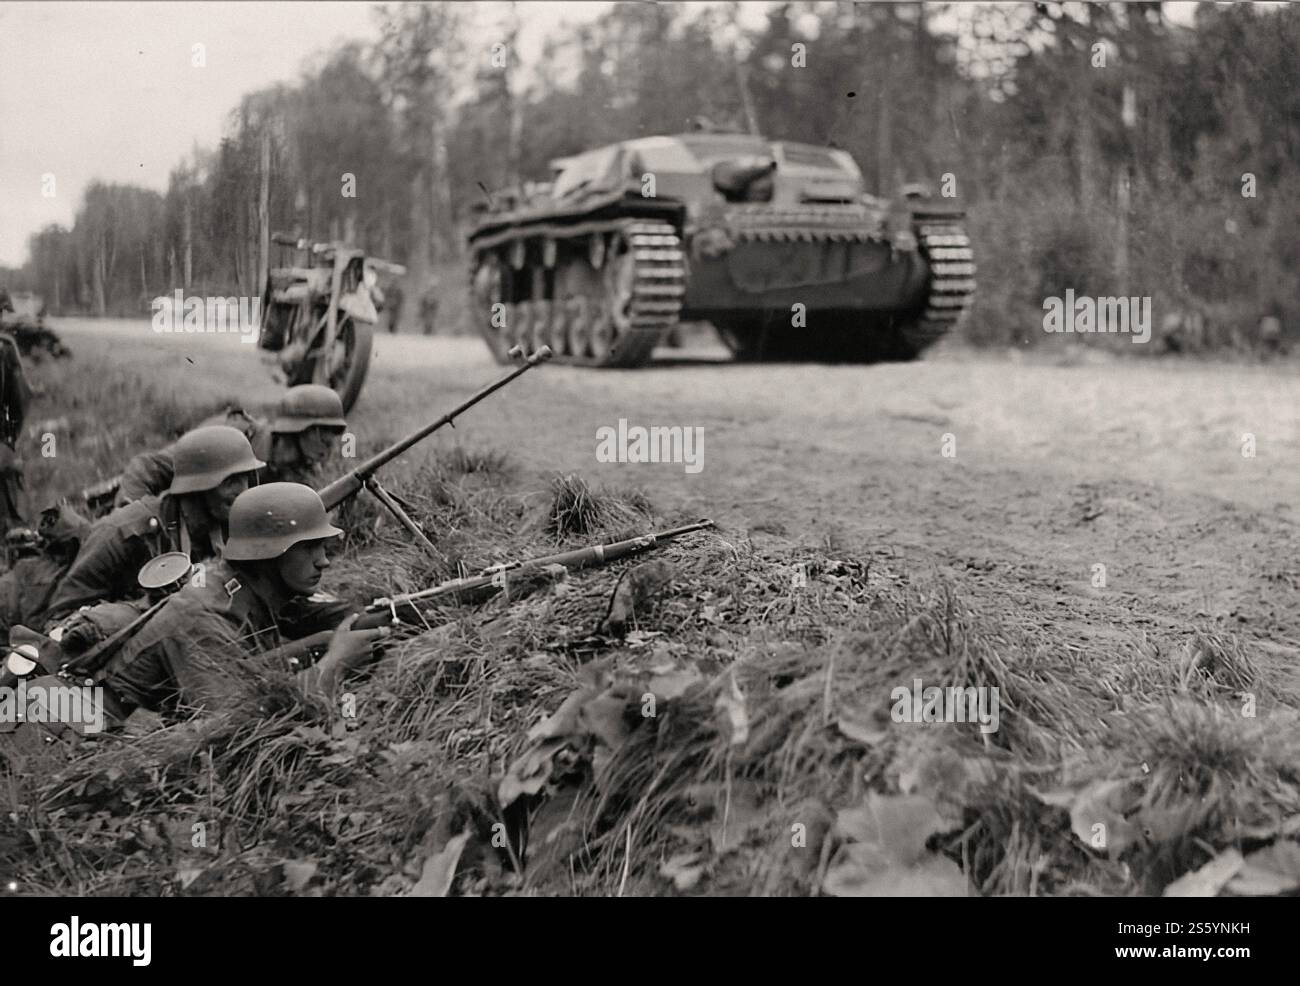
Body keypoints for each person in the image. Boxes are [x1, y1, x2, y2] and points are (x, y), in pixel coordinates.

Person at [97, 483, 383, 724]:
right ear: (268, 554)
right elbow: (238, 727)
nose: (324, 560)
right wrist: (335, 664)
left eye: (322, 546)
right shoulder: (203, 615)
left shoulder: (250, 587)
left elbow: (250, 666)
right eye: (308, 547)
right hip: (106, 738)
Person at [45, 425, 263, 622]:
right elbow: (60, 618)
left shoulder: (225, 525)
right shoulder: (123, 532)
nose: (243, 490)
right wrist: (139, 611)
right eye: (230, 481)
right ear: (198, 487)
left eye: (245, 478)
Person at [115, 384, 348, 505]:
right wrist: (133, 508)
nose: (329, 444)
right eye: (322, 433)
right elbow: (149, 466)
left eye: (333, 435)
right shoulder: (230, 437)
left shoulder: (304, 474)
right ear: (295, 430)